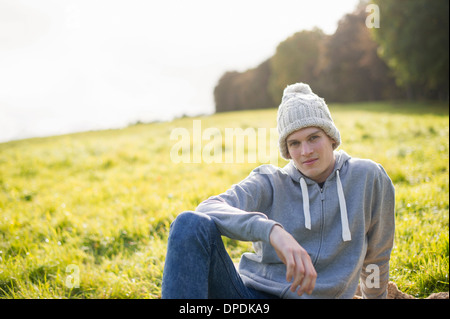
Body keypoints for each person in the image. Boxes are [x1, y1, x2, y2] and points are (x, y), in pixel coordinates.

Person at [161, 83, 395, 299]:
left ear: (331, 138)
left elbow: (376, 258)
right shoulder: (271, 181)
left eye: (313, 138)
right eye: (294, 143)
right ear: (287, 149)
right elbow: (208, 209)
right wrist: (272, 231)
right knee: (188, 223)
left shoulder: (368, 177)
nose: (305, 151)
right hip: (251, 299)